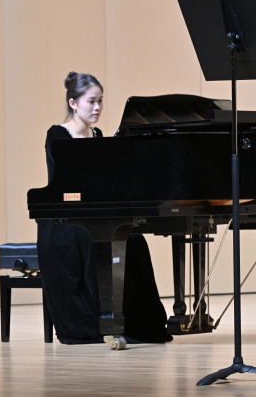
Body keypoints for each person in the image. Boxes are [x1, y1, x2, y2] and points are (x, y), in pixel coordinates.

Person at [37, 71, 171, 344]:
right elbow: (69, 181)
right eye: (91, 101)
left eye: (100, 101)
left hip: (94, 212)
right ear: (73, 103)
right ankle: (100, 322)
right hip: (65, 218)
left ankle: (131, 322)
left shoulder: (97, 134)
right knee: (95, 239)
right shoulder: (58, 134)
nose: (97, 107)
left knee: (134, 241)